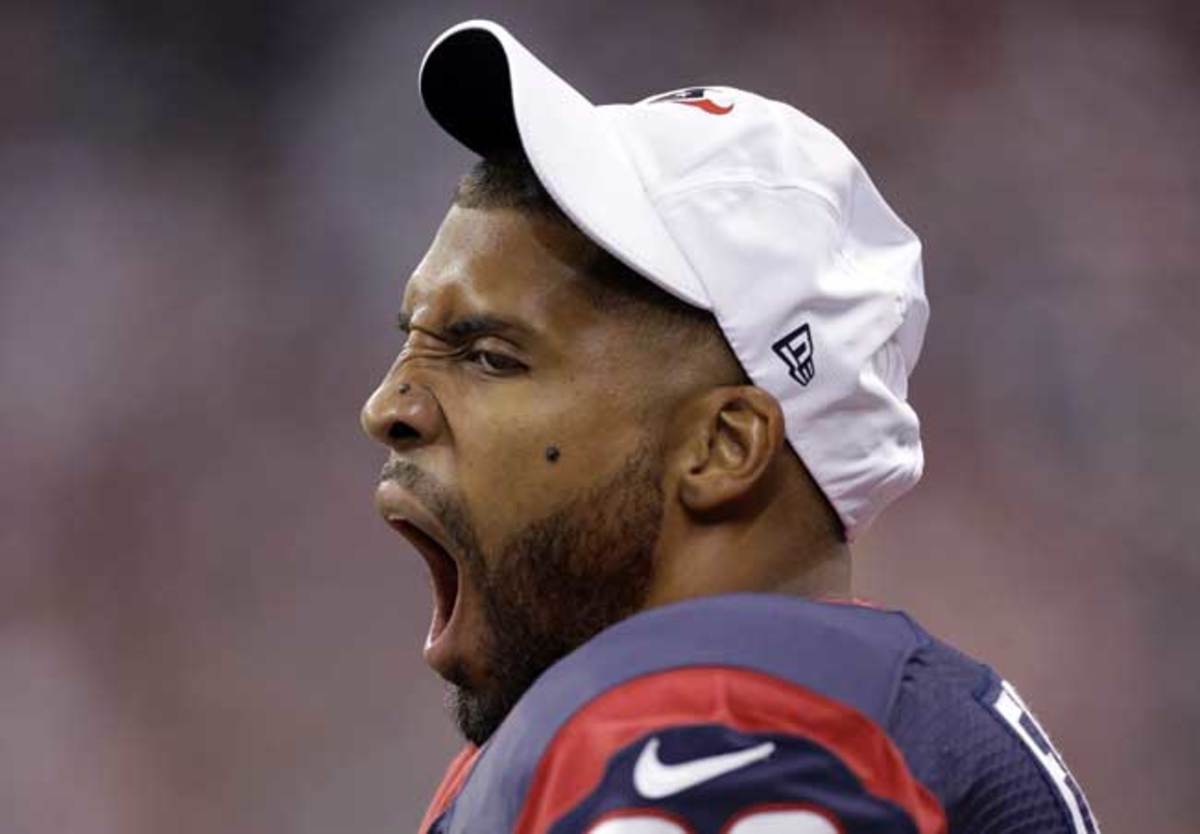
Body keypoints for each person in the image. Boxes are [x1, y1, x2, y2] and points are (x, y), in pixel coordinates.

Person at [360, 20, 1098, 834]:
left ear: (724, 447)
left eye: (490, 357)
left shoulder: (722, 717)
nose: (388, 406)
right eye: (411, 342)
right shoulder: (862, 708)